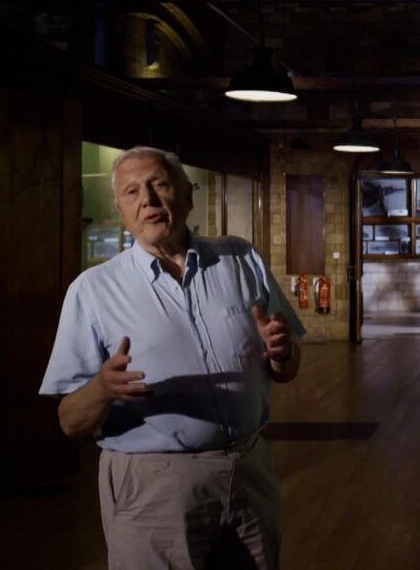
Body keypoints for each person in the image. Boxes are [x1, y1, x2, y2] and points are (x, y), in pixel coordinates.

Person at [39, 146, 305, 569]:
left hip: (250, 471)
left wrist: (282, 351)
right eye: (131, 192)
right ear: (122, 210)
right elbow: (69, 421)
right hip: (153, 488)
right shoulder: (92, 291)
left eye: (160, 184)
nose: (147, 200)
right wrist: (102, 389)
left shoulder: (240, 258)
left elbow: (288, 368)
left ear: (187, 194)